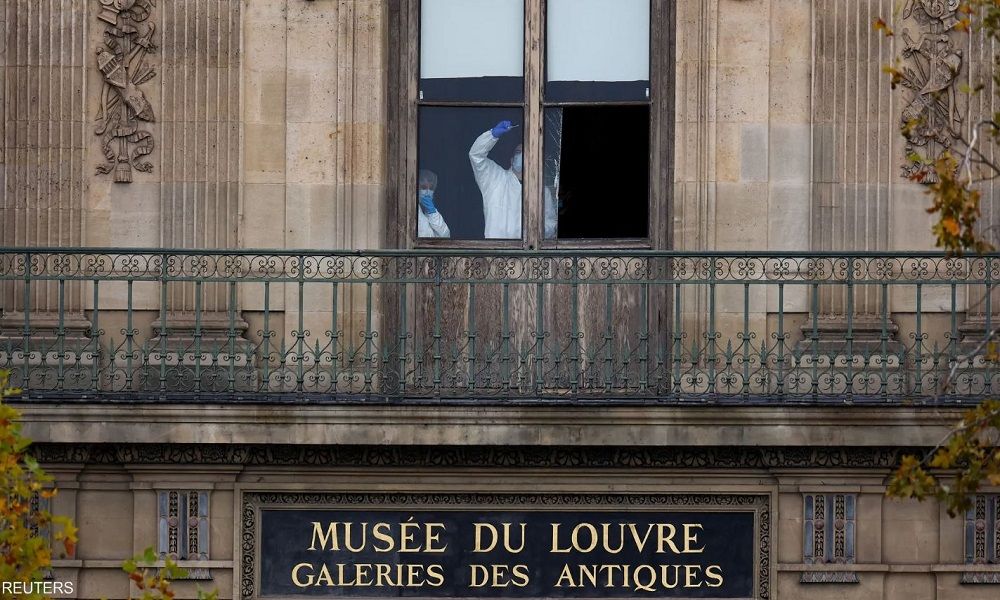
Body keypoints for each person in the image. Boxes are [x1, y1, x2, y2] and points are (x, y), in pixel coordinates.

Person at [469, 120, 557, 239]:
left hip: (527, 250)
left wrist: (534, 230)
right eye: (518, 152)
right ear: (511, 160)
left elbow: (550, 224)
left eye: (527, 153)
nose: (522, 156)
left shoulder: (542, 192)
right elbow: (476, 156)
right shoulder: (495, 178)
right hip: (496, 249)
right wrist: (491, 135)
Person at [417, 169, 450, 238]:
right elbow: (424, 236)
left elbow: (445, 235)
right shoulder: (411, 209)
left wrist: (432, 213)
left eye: (431, 188)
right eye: (423, 187)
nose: (427, 191)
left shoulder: (430, 211)